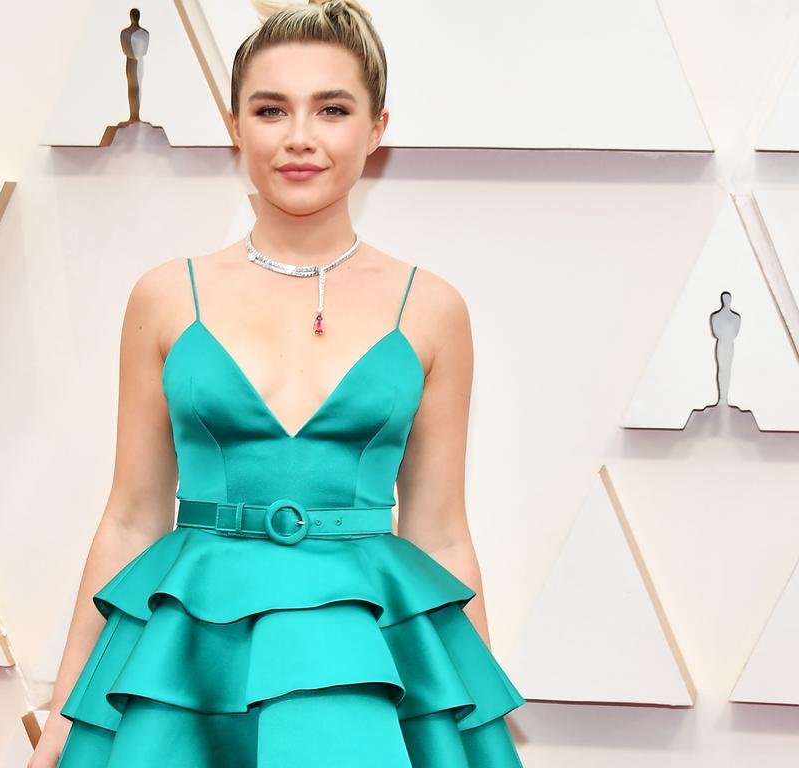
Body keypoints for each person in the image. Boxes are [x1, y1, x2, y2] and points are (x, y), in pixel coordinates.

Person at [31, 1, 525, 766]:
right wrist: (65, 722)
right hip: (192, 663)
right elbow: (130, 519)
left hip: (358, 664)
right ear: (236, 124)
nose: (300, 137)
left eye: (332, 109)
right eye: (271, 109)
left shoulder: (432, 309)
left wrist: (472, 730)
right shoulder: (165, 296)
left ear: (376, 127)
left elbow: (441, 534)